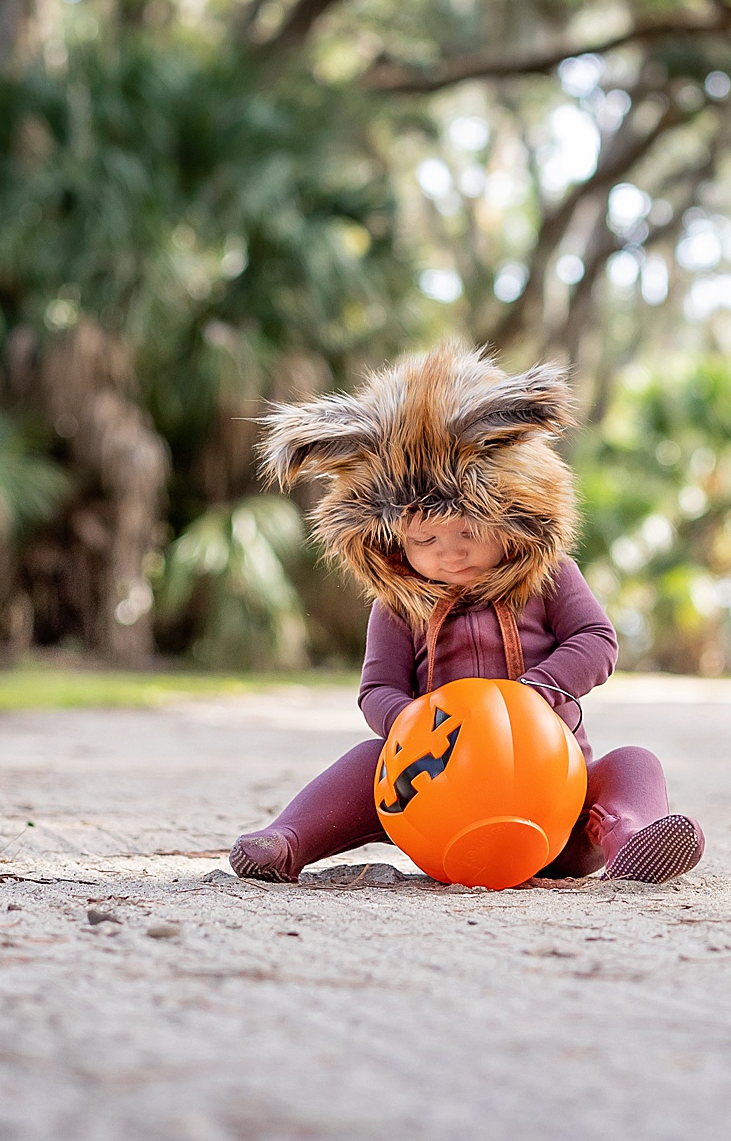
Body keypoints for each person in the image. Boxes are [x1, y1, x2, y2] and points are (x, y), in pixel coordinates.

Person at [229, 344, 704, 886]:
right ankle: (289, 839)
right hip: (439, 808)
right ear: (390, 539)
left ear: (512, 513)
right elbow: (376, 688)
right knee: (367, 762)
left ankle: (628, 835)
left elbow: (596, 639)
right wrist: (409, 723)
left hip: (557, 803)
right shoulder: (400, 605)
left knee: (633, 762)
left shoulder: (549, 576)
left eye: (470, 530)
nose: (449, 552)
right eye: (425, 538)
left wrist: (539, 689)